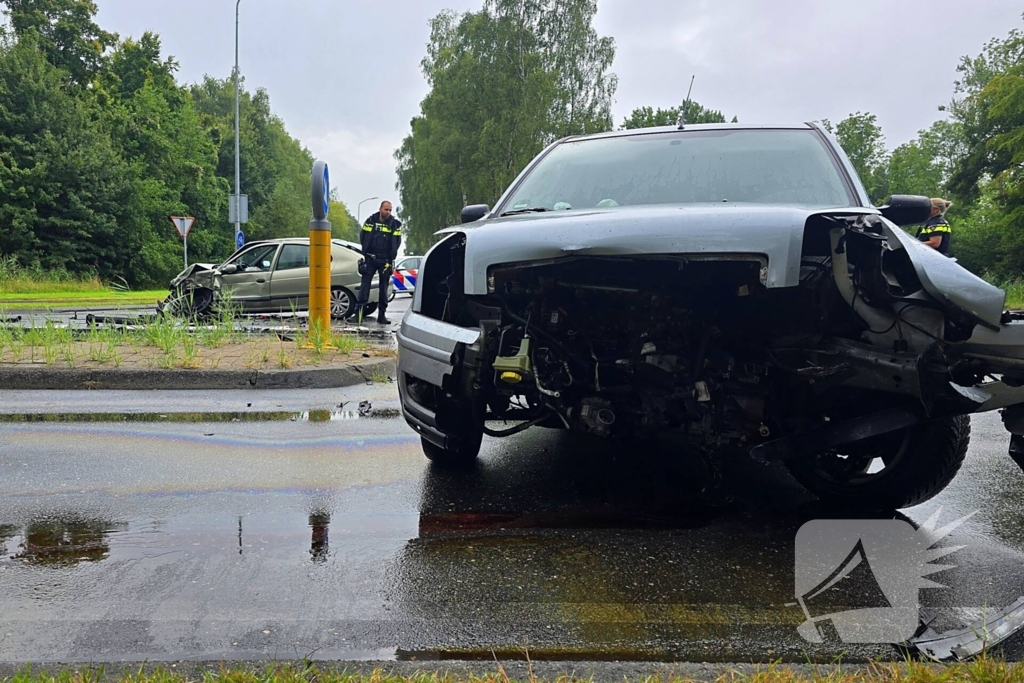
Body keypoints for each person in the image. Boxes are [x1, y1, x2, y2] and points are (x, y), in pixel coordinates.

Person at [349, 200, 402, 324]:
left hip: (385, 261)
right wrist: (366, 253)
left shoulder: (394, 224)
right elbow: (363, 236)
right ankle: (358, 315)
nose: (388, 212)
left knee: (383, 290)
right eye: (386, 209)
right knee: (364, 288)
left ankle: (382, 316)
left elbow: (397, 242)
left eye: (390, 210)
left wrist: (391, 258)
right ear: (380, 209)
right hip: (371, 259)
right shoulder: (371, 221)